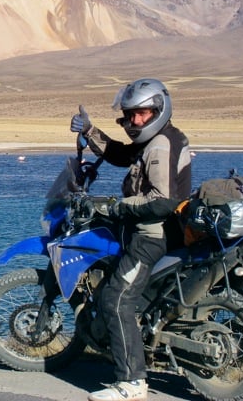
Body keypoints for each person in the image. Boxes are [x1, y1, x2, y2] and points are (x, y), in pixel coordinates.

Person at [70, 78, 192, 401]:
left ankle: (132, 382)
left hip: (153, 236)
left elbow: (161, 200)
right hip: (154, 230)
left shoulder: (161, 144)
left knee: (116, 299)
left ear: (158, 110)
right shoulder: (156, 138)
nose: (135, 121)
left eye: (142, 113)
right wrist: (89, 132)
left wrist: (117, 206)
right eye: (131, 114)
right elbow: (122, 155)